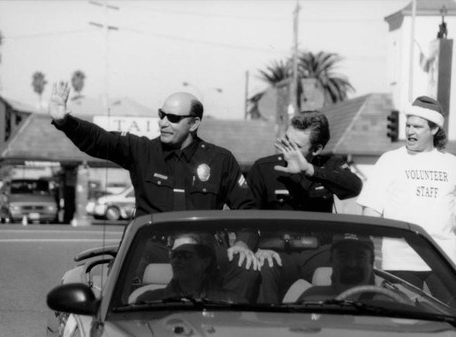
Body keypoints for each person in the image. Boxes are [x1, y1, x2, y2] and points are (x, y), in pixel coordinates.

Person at [48, 82, 260, 301]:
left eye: (173, 118)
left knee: (249, 271)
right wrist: (65, 121)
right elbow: (100, 140)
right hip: (153, 245)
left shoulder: (220, 160)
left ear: (194, 123)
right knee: (126, 272)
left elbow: (248, 209)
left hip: (203, 248)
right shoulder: (143, 151)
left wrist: (243, 243)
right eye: (161, 115)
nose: (163, 123)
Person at [247, 110, 363, 303]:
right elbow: (247, 215)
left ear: (316, 149)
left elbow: (353, 186)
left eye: (295, 146)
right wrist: (257, 247)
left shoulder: (329, 165)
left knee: (342, 273)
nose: (286, 148)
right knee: (262, 269)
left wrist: (309, 170)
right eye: (285, 139)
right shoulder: (263, 168)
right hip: (276, 251)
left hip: (318, 252)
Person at [356, 96, 456, 288]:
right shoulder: (390, 160)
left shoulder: (451, 163)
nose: (410, 131)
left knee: (449, 316)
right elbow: (370, 211)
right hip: (400, 260)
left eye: (417, 127)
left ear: (434, 129)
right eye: (408, 125)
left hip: (445, 259)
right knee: (405, 318)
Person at [136, 233, 242, 303]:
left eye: (185, 255)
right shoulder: (148, 301)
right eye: (174, 254)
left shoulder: (229, 301)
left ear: (205, 261)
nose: (177, 260)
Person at [297, 233, 375, 301]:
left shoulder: (384, 303)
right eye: (343, 256)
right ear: (331, 260)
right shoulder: (311, 299)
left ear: (371, 262)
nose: (352, 264)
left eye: (360, 256)